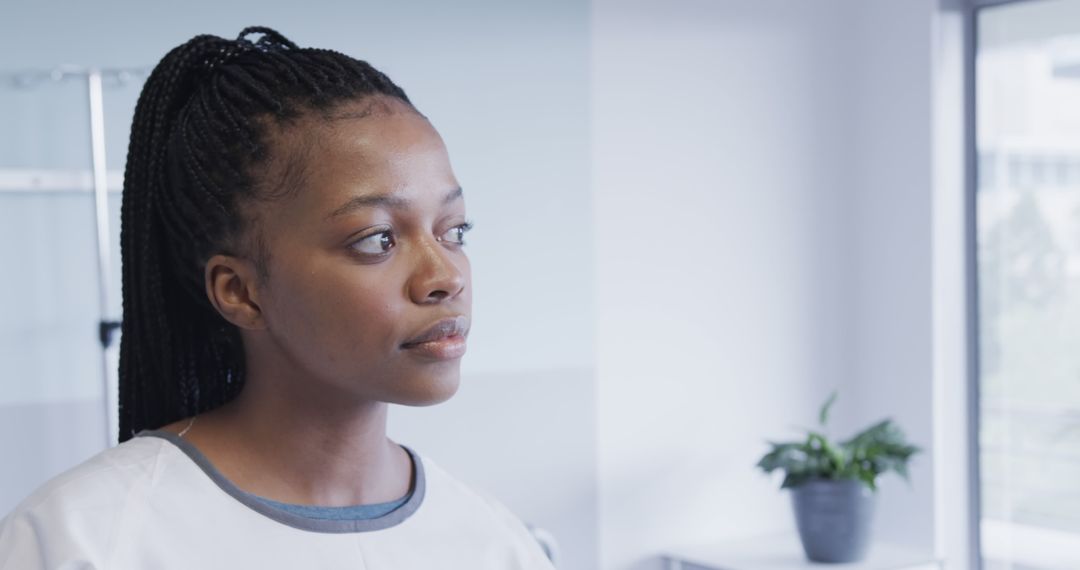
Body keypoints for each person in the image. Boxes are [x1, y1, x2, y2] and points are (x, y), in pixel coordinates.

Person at [0, 27, 556, 569]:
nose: (445, 276)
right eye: (377, 240)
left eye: (453, 230)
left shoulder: (493, 544)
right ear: (240, 292)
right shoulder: (85, 541)